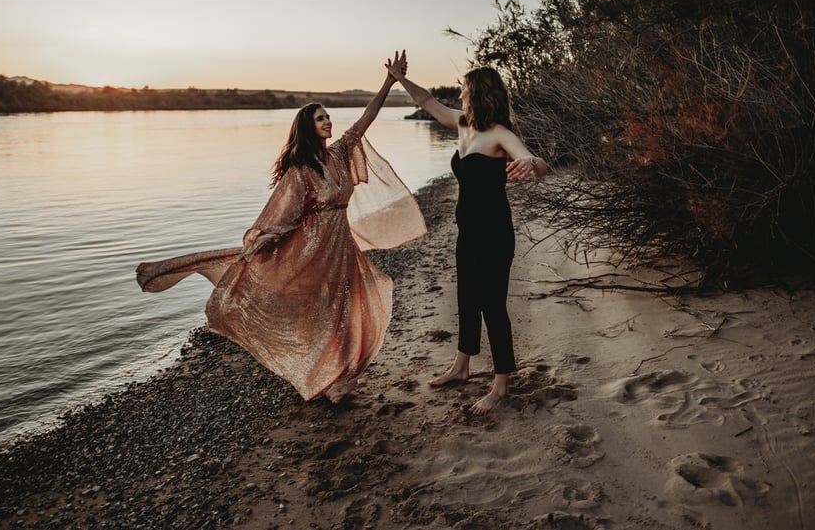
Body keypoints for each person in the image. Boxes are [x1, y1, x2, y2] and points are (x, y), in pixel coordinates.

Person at [136, 52, 426, 404]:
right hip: (313, 251)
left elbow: (366, 117)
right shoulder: (300, 169)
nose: (328, 123)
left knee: (351, 305)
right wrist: (267, 237)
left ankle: (339, 379)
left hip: (341, 246)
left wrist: (390, 81)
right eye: (321, 119)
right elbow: (285, 214)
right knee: (322, 313)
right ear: (308, 126)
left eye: (329, 117)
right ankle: (327, 379)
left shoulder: (339, 153)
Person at [393, 59, 548, 414]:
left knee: (493, 305)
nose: (460, 92)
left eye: (464, 88)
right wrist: (400, 78)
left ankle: (501, 385)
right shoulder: (462, 124)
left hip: (494, 233)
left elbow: (536, 163)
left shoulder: (500, 133)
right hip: (467, 231)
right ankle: (461, 368)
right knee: (466, 298)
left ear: (477, 93)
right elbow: (427, 102)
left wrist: (531, 162)